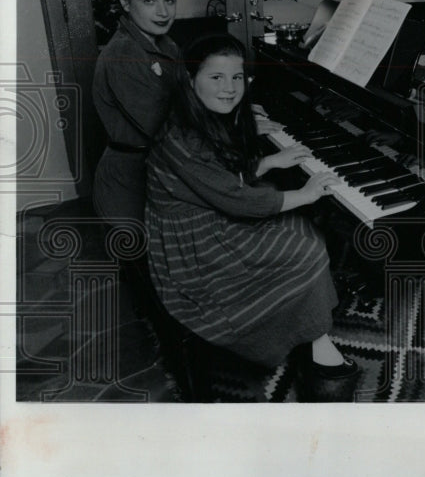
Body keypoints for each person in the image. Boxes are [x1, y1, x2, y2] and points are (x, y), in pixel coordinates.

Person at [144, 32, 358, 401]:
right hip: (194, 249)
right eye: (216, 78)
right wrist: (306, 194)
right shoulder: (185, 139)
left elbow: (220, 175)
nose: (229, 88)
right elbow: (236, 199)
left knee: (298, 224)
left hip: (204, 214)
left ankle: (311, 326)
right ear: (190, 81)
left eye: (237, 77)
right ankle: (313, 341)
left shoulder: (196, 120)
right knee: (304, 246)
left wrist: (269, 161)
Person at [91, 0, 181, 223]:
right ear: (125, 2)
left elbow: (185, 95)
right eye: (150, 1)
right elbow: (163, 124)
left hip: (158, 170)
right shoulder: (124, 54)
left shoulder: (166, 44)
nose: (163, 12)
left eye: (171, 1)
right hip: (130, 184)